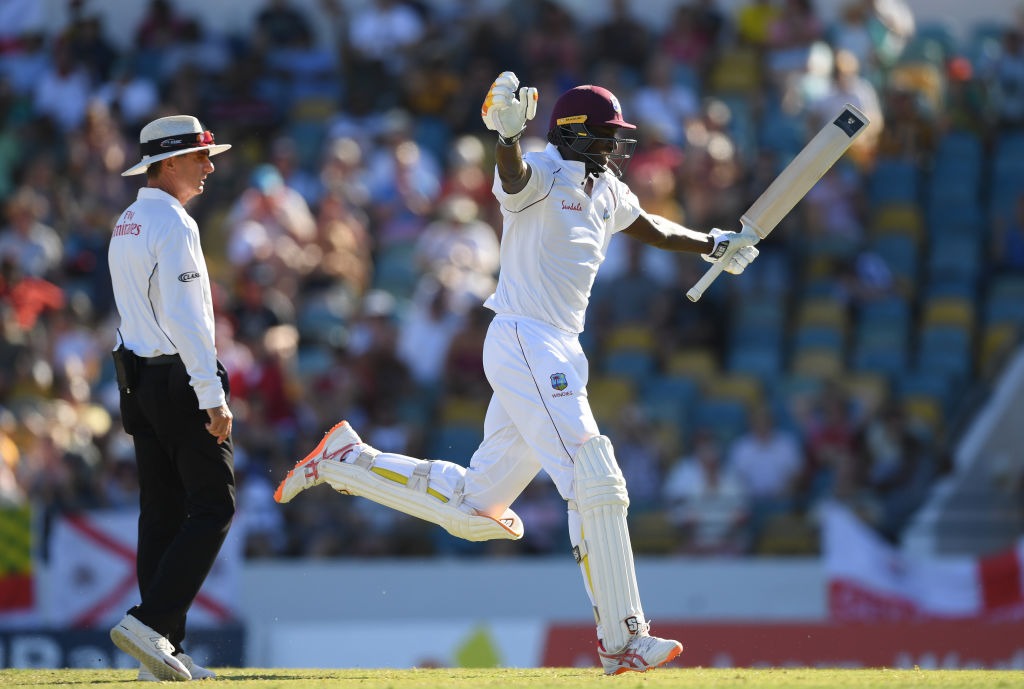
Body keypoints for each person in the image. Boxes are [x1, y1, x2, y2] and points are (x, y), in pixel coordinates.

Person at [274, 72, 759, 674]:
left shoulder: (604, 188)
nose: (617, 148)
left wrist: (710, 244)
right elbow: (513, 180)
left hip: (556, 350)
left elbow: (650, 227)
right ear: (576, 135)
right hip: (525, 337)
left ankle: (349, 461)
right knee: (595, 475)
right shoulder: (542, 169)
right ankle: (623, 638)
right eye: (609, 137)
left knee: (477, 509)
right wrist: (505, 139)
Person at [107, 115, 235, 682]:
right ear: (169, 163)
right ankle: (151, 624)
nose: (209, 168)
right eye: (200, 157)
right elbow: (188, 319)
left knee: (160, 511)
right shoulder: (175, 225)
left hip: (137, 378)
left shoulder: (128, 221)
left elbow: (133, 314)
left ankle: (160, 651)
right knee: (213, 505)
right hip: (178, 380)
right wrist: (211, 394)